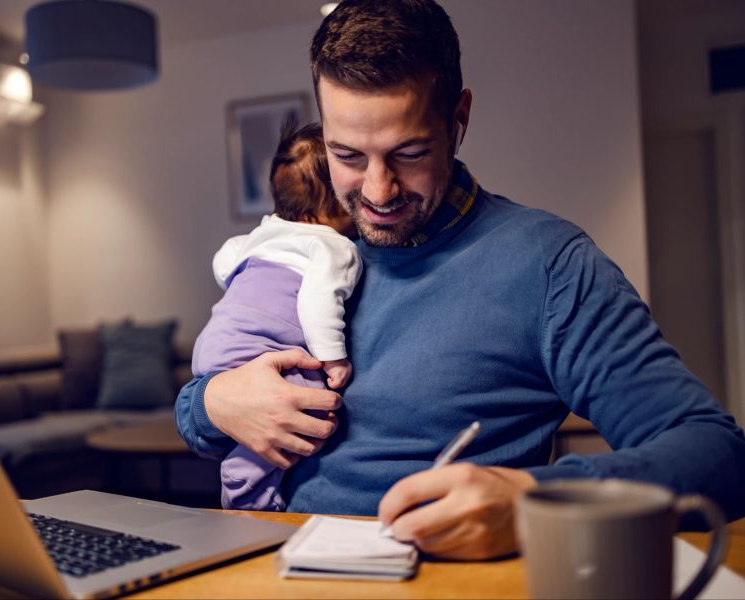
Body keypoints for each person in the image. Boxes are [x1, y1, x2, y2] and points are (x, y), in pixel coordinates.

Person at [176, 0, 745, 558]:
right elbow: (196, 412)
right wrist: (214, 403)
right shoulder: (303, 247)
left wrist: (531, 500)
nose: (376, 192)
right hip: (265, 569)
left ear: (459, 120)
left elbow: (717, 454)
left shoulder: (548, 264)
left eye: (410, 152)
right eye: (347, 155)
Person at [191, 120, 362, 511]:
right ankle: (248, 481)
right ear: (336, 201)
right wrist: (334, 357)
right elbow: (318, 300)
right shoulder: (334, 247)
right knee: (309, 404)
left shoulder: (262, 234)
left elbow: (224, 260)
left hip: (218, 342)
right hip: (264, 345)